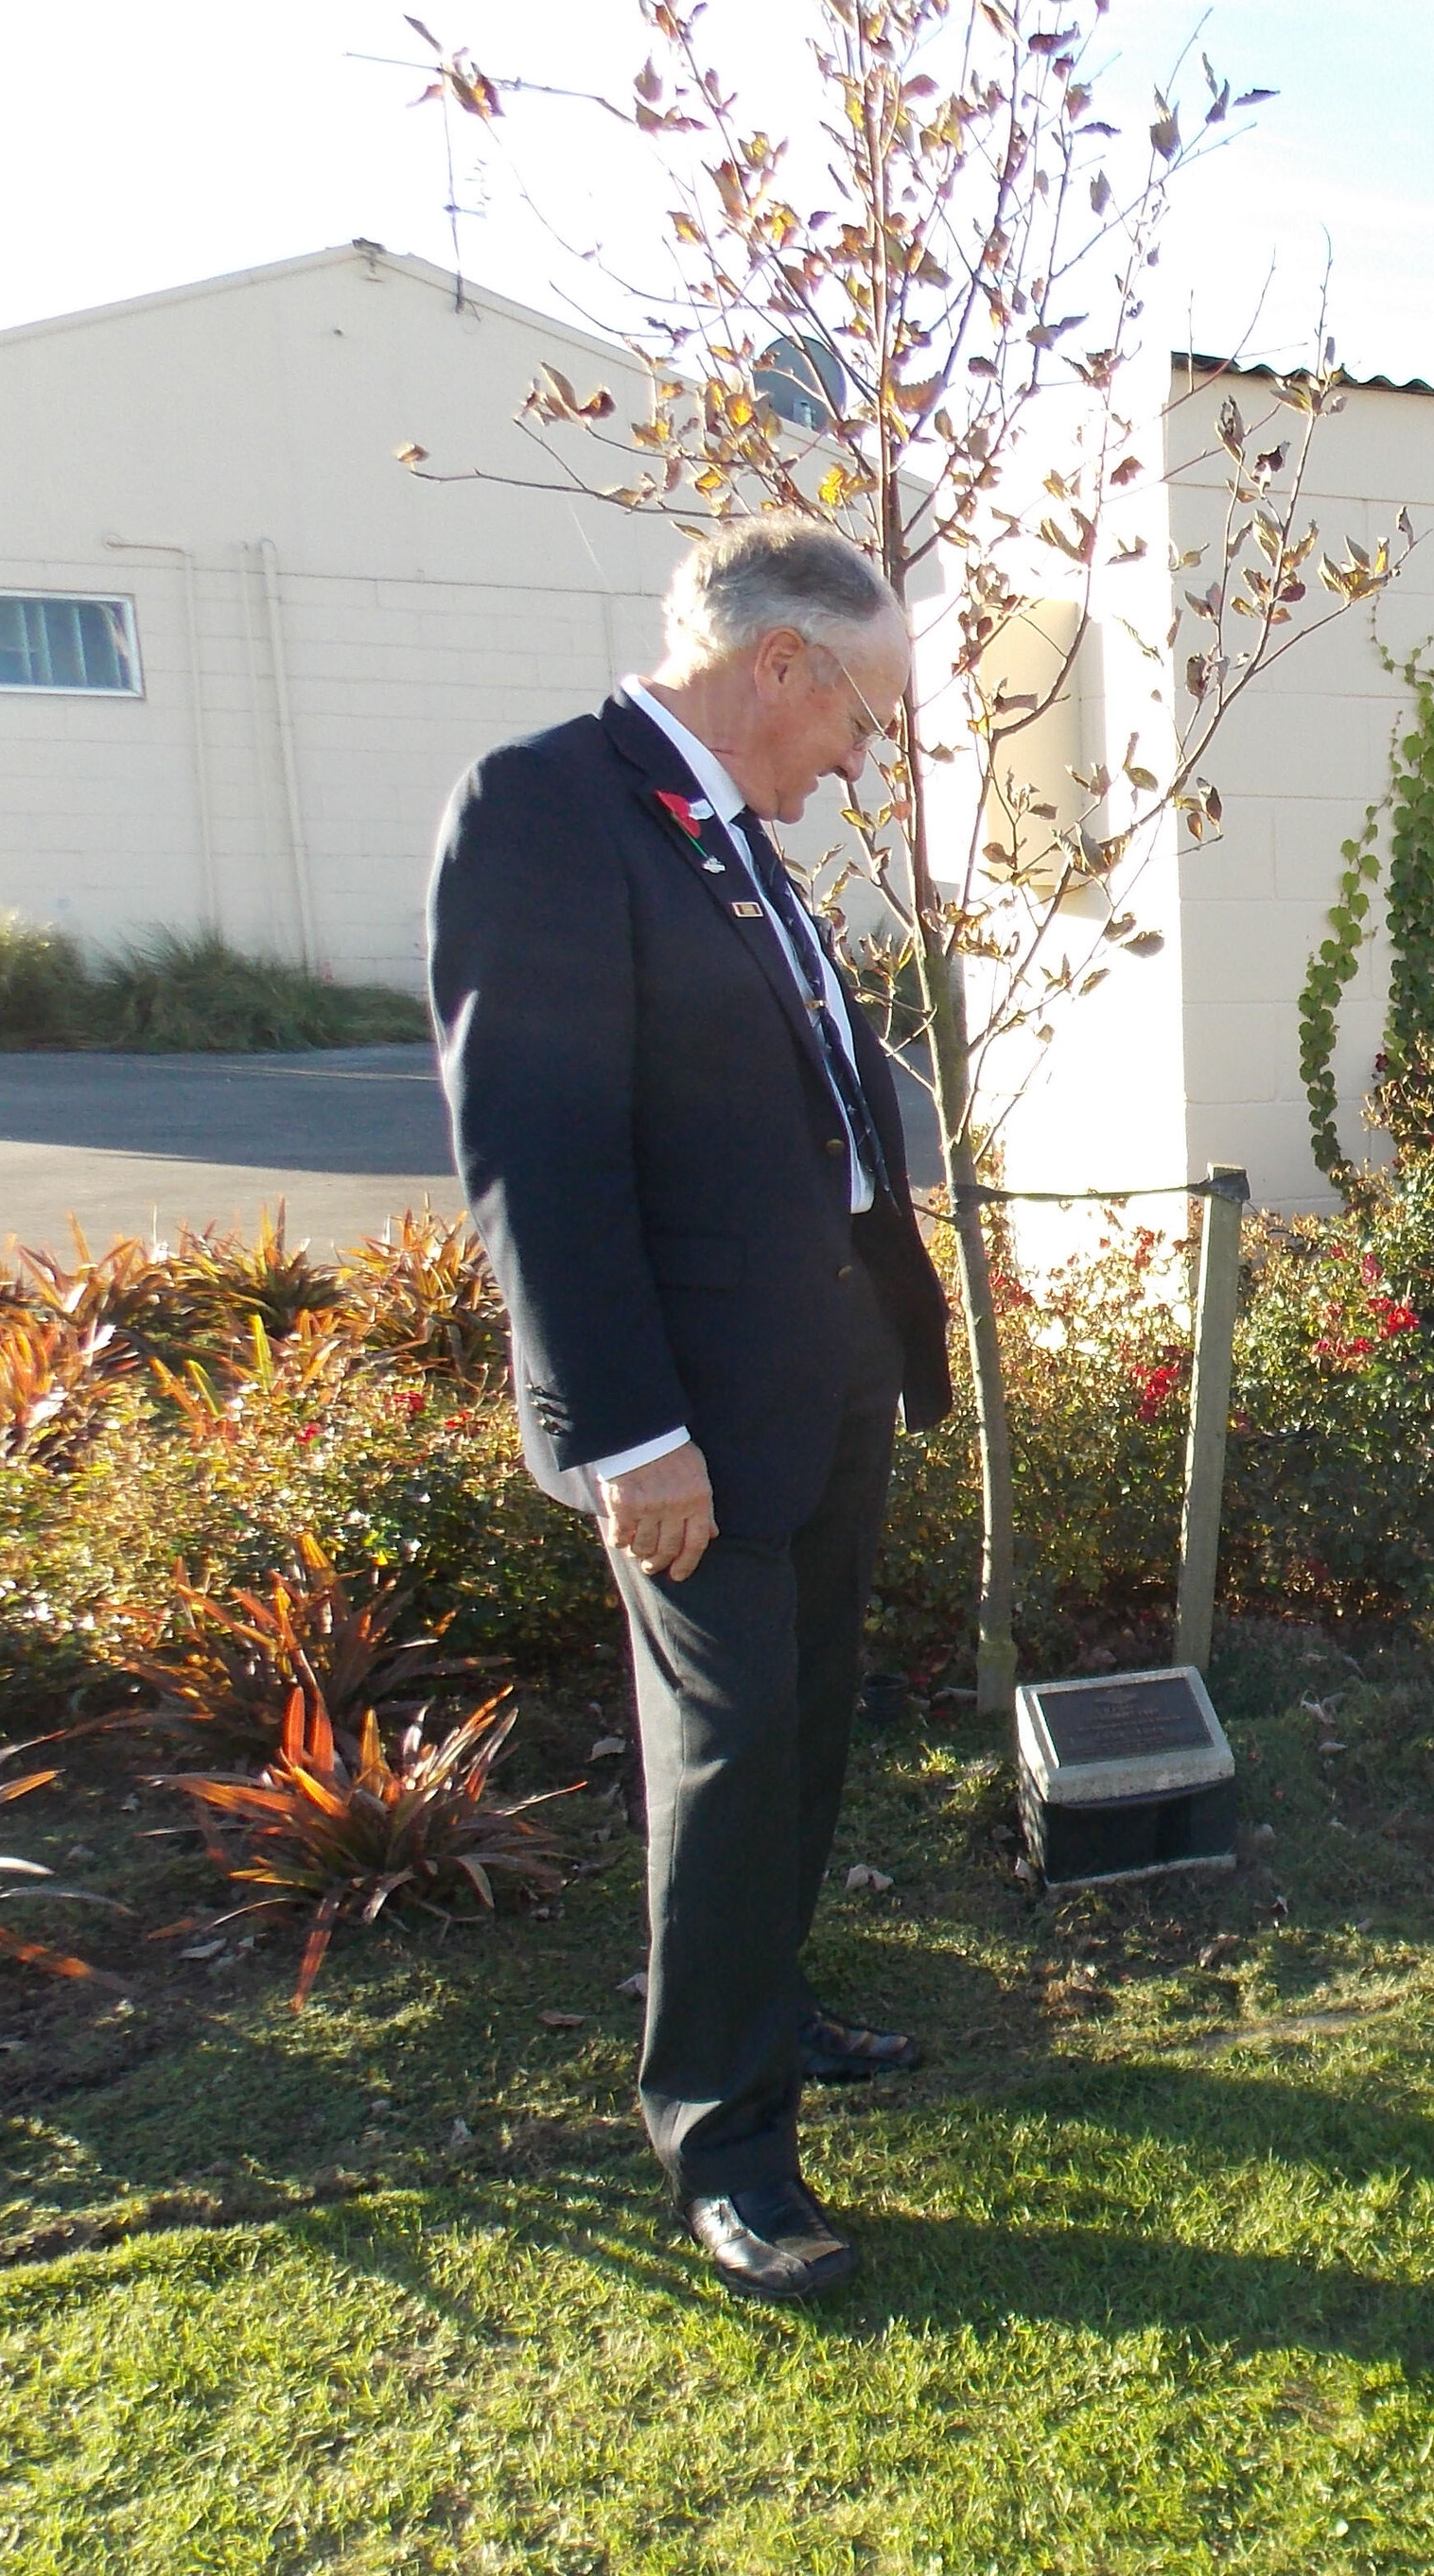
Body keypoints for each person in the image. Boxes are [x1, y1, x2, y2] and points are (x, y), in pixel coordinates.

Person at [426, 514, 953, 2302]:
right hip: (693, 1427)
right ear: (780, 667)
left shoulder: (729, 834)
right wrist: (626, 1436)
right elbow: (536, 1154)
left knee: (798, 1740)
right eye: (861, 717)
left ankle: (771, 2008)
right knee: (724, 1765)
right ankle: (722, 2143)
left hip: (821, 1387)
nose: (863, 757)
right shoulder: (547, 810)